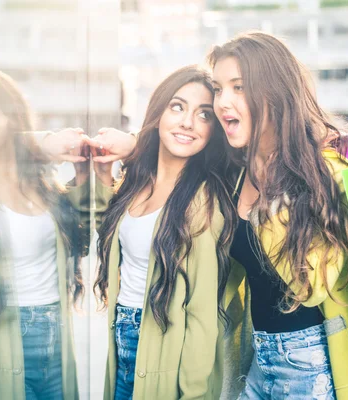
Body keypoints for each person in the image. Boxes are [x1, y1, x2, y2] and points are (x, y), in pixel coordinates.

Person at [208, 32, 348, 399]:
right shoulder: (237, 169)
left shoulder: (321, 173)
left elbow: (311, 286)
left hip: (310, 363)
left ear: (274, 92)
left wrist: (269, 196)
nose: (222, 101)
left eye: (238, 87)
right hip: (258, 359)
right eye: (218, 88)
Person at [0, 65, 90, 400]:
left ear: (12, 115)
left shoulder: (44, 185)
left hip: (56, 338)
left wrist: (46, 146)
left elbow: (89, 231)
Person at [93, 65, 243, 400]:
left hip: (164, 348)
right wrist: (103, 174)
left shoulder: (203, 203)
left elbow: (203, 315)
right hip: (123, 339)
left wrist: (193, 393)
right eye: (177, 107)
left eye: (204, 115)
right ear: (158, 111)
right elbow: (110, 239)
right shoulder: (136, 182)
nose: (188, 122)